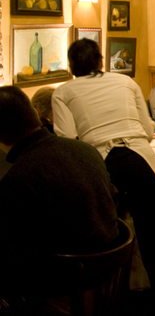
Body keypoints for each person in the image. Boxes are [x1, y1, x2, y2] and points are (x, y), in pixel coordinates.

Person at [51, 39, 155, 315]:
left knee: (107, 233)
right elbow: (147, 128)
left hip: (99, 162)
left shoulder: (63, 92)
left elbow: (67, 138)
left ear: (72, 66)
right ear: (101, 61)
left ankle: (115, 301)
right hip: (139, 157)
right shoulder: (125, 82)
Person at [0, 86, 119, 305]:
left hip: (62, 284)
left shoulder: (19, 177)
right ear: (35, 114)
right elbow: (112, 201)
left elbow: (16, 243)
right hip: (108, 273)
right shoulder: (85, 150)